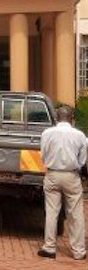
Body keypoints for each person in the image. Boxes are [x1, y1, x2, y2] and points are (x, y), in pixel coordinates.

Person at [37, 106, 87, 260]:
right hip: (71, 175)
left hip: (52, 173)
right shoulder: (80, 135)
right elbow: (83, 159)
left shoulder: (47, 133)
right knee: (76, 214)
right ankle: (78, 251)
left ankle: (50, 248)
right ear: (72, 118)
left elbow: (43, 155)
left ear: (56, 118)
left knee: (52, 212)